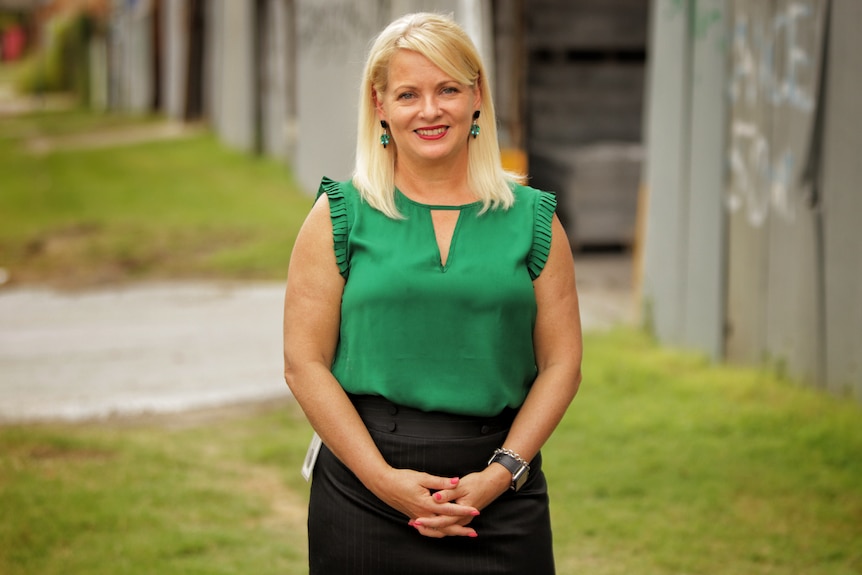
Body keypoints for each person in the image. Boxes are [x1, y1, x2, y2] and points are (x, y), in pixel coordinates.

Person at [283, 12, 582, 575]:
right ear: (380, 106)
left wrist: (499, 475)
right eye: (407, 93)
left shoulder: (534, 219)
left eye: (447, 89)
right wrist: (381, 481)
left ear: (477, 97)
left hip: (500, 488)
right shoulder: (338, 217)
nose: (429, 110)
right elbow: (304, 364)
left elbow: (563, 363)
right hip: (362, 489)